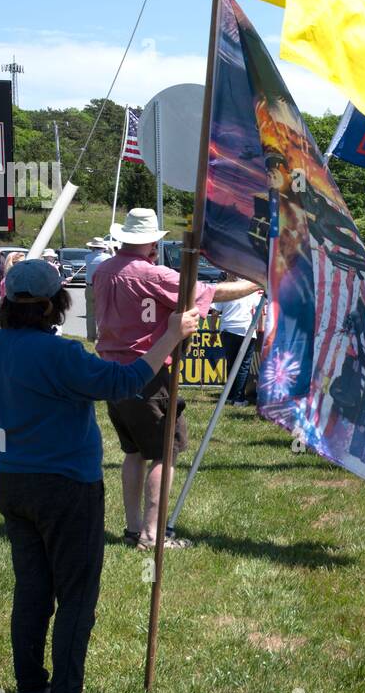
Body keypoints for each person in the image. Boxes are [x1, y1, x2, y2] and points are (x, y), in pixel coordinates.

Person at [0, 258, 201, 693]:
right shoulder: (62, 355)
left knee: (32, 588)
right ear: (54, 305)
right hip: (67, 488)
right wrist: (171, 335)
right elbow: (126, 382)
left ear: (7, 303)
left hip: (12, 482)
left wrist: (14, 429)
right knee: (75, 595)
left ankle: (31, 691)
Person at [94, 208, 259, 550]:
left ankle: (133, 527)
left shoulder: (103, 270)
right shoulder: (152, 275)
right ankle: (152, 536)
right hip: (146, 372)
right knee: (164, 451)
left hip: (110, 373)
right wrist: (258, 281)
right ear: (153, 241)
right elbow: (208, 292)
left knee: (134, 451)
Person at [214, 289, 264, 406]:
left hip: (227, 330)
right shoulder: (251, 291)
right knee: (243, 366)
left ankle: (230, 395)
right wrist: (260, 328)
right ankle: (238, 398)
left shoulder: (227, 291)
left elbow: (215, 312)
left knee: (231, 364)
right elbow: (260, 309)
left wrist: (212, 331)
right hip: (246, 330)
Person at [83, 238, 112, 342]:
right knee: (102, 313)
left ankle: (91, 336)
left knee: (90, 314)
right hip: (102, 287)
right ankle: (101, 336)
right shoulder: (107, 257)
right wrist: (111, 250)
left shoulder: (87, 257)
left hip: (90, 286)